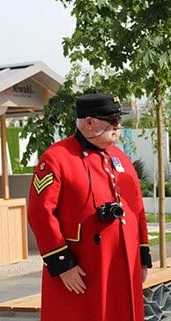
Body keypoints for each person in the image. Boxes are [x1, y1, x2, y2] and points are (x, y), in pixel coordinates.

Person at [28, 93, 152, 321]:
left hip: (122, 265)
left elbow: (137, 209)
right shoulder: (56, 158)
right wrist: (62, 263)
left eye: (118, 120)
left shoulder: (121, 158)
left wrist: (142, 255)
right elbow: (40, 213)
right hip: (83, 269)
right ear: (88, 122)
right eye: (111, 120)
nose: (117, 125)